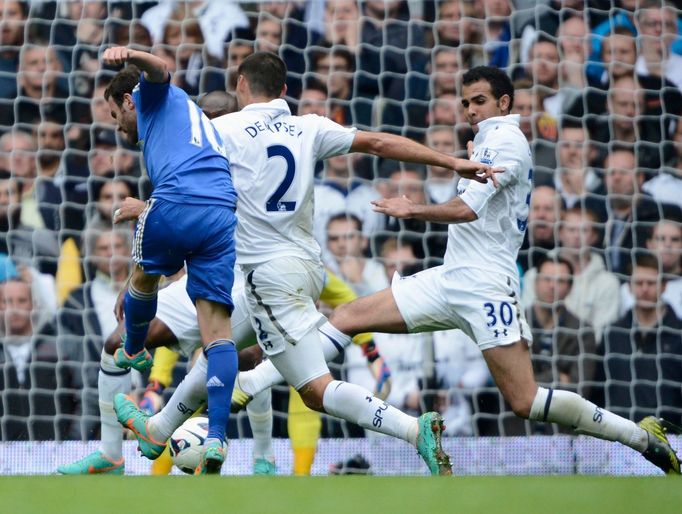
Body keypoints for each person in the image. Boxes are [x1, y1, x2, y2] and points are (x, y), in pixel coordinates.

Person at [118, 51, 499, 476]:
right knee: (218, 343)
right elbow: (377, 141)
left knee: (315, 390)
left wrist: (149, 204)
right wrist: (450, 162)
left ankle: (414, 430)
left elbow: (192, 184)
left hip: (266, 275)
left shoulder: (219, 130)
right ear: (283, 91)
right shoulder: (308, 126)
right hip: (306, 266)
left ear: (240, 83)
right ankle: (159, 426)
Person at [317, 66, 678, 474]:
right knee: (346, 317)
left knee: (525, 401)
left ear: (504, 102)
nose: (470, 109)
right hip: (451, 276)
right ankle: (255, 384)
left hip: (487, 286)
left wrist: (412, 208)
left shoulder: (506, 141)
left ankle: (643, 439)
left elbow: (467, 210)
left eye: (480, 100)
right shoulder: (487, 141)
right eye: (466, 102)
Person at [57, 89, 392, 476]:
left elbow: (222, 211)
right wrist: (140, 283)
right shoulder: (196, 156)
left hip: (247, 276)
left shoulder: (244, 155)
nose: (207, 128)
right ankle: (112, 455)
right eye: (205, 119)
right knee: (118, 341)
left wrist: (145, 209)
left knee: (245, 358)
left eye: (213, 119)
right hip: (205, 274)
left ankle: (263, 456)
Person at [99, 47, 239, 474]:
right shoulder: (188, 121)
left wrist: (132, 56)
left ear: (128, 100)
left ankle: (136, 350)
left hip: (177, 200)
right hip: (221, 213)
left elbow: (161, 69)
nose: (118, 125)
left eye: (114, 114)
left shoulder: (154, 96)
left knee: (141, 280)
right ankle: (216, 436)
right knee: (217, 333)